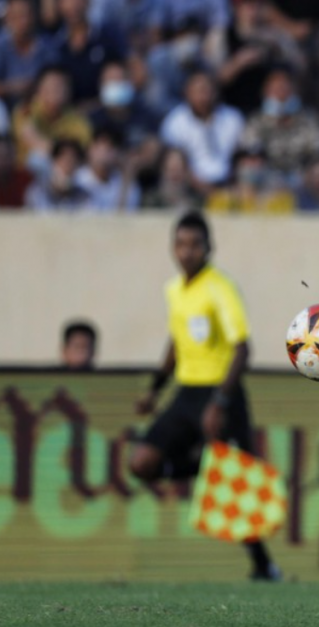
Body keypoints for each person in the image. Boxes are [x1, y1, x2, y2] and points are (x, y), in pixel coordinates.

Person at [131, 211, 280, 581]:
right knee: (141, 464)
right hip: (186, 393)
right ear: (173, 247)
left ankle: (264, 566)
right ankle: (201, 468)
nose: (187, 252)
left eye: (195, 244)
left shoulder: (220, 287)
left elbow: (243, 348)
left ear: (209, 247)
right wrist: (154, 388)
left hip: (220, 392)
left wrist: (220, 402)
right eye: (181, 244)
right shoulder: (174, 290)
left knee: (237, 491)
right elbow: (176, 343)